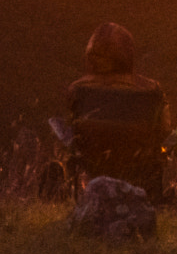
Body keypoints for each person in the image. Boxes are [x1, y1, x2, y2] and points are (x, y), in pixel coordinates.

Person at [63, 21, 168, 199]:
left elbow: (72, 130)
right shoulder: (151, 90)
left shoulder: (77, 90)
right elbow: (164, 131)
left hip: (93, 167)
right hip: (138, 168)